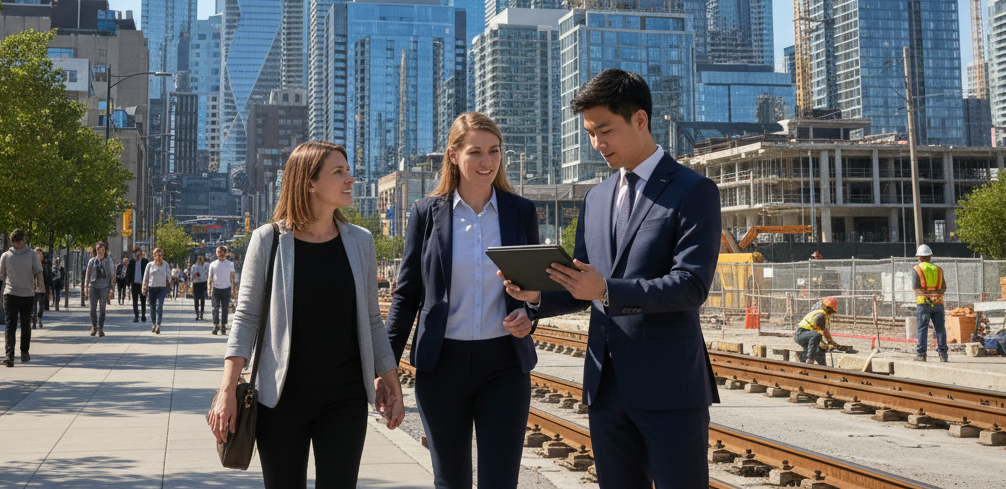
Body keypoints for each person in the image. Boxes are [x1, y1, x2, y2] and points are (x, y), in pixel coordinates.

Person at [502, 69, 720, 489]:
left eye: (604, 131)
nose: (596, 144)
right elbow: (582, 282)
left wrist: (606, 290)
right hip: (605, 388)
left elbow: (691, 285)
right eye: (589, 133)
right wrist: (535, 299)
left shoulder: (694, 191)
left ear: (640, 119)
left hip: (670, 387)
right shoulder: (597, 197)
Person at [207, 141, 404, 489]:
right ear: (309, 182)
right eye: (338, 172)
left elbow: (372, 319)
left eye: (348, 170)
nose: (350, 179)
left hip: (345, 400)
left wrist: (390, 378)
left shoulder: (361, 241)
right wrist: (226, 390)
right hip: (280, 400)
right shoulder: (267, 240)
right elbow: (247, 318)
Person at [386, 113, 539, 489]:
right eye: (475, 152)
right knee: (450, 480)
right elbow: (407, 295)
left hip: (505, 364)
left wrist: (530, 313)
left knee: (500, 482)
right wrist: (385, 366)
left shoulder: (521, 211)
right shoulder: (426, 213)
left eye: (494, 151)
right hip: (442, 367)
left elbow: (535, 289)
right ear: (453, 156)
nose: (487, 162)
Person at [1, 229, 43, 367]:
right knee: (10, 325)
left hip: (27, 295)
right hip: (10, 294)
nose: (16, 245)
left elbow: (38, 270)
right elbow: (2, 276)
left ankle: (24, 351)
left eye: (18, 243)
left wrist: (41, 285)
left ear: (24, 241)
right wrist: (1, 296)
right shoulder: (6, 256)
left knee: (25, 324)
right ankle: (9, 355)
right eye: (14, 243)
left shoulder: (31, 255)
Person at [912, 245, 948, 362]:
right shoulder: (938, 269)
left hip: (923, 303)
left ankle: (921, 354)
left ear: (919, 257)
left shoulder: (917, 269)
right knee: (940, 329)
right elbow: (943, 287)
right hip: (938, 303)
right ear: (930, 256)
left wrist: (927, 297)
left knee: (922, 329)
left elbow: (916, 287)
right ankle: (943, 355)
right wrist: (935, 297)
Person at [795, 297, 842, 365]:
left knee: (820, 351)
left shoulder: (825, 316)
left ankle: (823, 368)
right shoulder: (821, 316)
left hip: (810, 336)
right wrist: (828, 344)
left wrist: (831, 343)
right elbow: (820, 333)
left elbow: (825, 332)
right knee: (816, 337)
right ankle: (809, 360)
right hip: (801, 334)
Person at [85, 242, 115, 337]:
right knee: (92, 308)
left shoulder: (109, 261)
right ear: (96, 250)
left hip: (104, 287)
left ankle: (100, 328)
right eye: (98, 249)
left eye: (102, 249)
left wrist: (112, 289)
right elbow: (87, 276)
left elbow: (112, 275)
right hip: (93, 286)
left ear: (105, 250)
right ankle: (94, 326)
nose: (100, 251)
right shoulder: (92, 261)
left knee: (102, 308)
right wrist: (86, 289)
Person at [142, 247, 174, 333]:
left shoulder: (165, 264)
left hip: (162, 288)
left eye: (161, 255)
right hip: (152, 288)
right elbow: (145, 277)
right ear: (154, 256)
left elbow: (169, 276)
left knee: (159, 306)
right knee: (152, 307)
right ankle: (154, 324)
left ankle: (158, 325)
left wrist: (170, 284)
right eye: (157, 255)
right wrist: (144, 288)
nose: (159, 257)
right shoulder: (150, 265)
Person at [208, 245, 236, 335]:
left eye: (223, 253)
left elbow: (232, 277)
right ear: (216, 253)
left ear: (226, 253)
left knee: (225, 308)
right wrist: (209, 287)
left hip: (226, 288)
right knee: (215, 308)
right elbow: (210, 277)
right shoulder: (213, 264)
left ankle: (223, 325)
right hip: (216, 289)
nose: (221, 254)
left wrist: (233, 290)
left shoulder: (230, 264)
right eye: (219, 252)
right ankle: (216, 325)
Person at [131, 248, 150, 323]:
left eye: (138, 253)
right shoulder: (132, 262)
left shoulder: (145, 262)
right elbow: (129, 273)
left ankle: (143, 315)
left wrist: (147, 282)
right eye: (135, 253)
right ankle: (136, 316)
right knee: (134, 301)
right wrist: (128, 281)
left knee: (143, 300)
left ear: (141, 253)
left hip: (143, 284)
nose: (137, 254)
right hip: (134, 284)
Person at [33, 248, 49, 328]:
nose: (41, 255)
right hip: (33, 288)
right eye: (39, 253)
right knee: (34, 306)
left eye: (41, 254)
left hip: (42, 289)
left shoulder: (44, 264)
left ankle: (39, 318)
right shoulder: (31, 264)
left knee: (41, 306)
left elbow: (47, 277)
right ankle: (34, 322)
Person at [190, 254, 209, 320]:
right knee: (196, 300)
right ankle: (197, 314)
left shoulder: (206, 266)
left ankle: (202, 314)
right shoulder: (194, 267)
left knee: (203, 299)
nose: (200, 260)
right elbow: (191, 277)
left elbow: (209, 275)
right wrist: (194, 276)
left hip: (203, 283)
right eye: (199, 259)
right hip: (196, 284)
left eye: (202, 259)